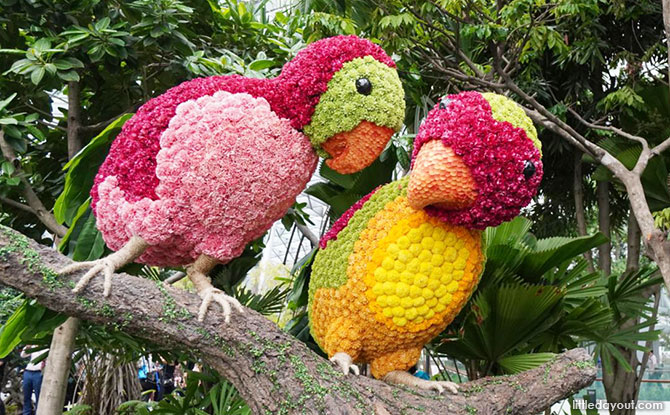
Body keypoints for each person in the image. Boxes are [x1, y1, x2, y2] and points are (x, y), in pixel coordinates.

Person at [20, 346, 47, 415]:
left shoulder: (47, 348)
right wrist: (27, 347)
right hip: (28, 371)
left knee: (38, 395)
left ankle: (38, 412)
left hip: (39, 372)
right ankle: (26, 413)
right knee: (26, 395)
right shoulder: (33, 346)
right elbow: (23, 355)